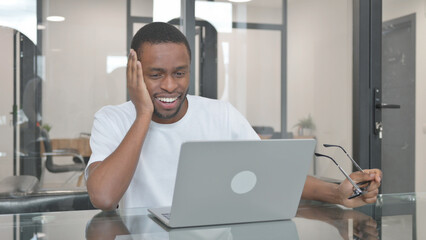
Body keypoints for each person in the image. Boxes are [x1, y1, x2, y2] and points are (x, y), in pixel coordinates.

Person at [86, 22, 382, 211]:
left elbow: (271, 174)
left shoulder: (220, 115)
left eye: (180, 73)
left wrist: (336, 193)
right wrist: (143, 115)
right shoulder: (112, 119)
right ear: (133, 71)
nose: (170, 86)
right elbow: (103, 197)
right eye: (155, 75)